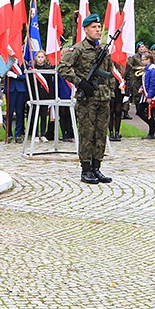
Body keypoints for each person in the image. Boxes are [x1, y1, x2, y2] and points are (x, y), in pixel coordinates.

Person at [58, 14, 114, 184]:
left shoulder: (103, 49)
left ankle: (97, 167)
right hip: (87, 99)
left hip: (103, 97)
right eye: (94, 27)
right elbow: (61, 67)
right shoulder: (78, 49)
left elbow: (110, 72)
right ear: (86, 29)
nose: (98, 30)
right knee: (87, 134)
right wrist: (80, 82)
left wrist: (111, 91)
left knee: (101, 133)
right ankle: (86, 169)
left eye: (99, 27)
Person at [31, 50, 55, 142]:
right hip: (35, 95)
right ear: (36, 58)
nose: (40, 59)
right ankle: (36, 134)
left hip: (45, 95)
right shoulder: (33, 69)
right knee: (35, 115)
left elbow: (50, 84)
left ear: (45, 58)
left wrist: (51, 97)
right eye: (38, 57)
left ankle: (43, 134)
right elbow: (30, 83)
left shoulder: (48, 68)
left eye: (42, 57)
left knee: (44, 115)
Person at [4, 57, 28, 144]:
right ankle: (9, 134)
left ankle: (18, 135)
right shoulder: (7, 62)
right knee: (9, 113)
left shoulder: (23, 63)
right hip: (10, 90)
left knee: (19, 113)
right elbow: (1, 73)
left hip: (21, 90)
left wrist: (16, 76)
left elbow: (26, 76)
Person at [136, 52, 155, 139]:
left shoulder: (152, 70)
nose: (142, 61)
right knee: (142, 112)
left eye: (143, 60)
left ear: (148, 60)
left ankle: (152, 130)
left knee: (146, 112)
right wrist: (142, 87)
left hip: (150, 94)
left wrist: (150, 96)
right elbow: (146, 81)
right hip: (145, 93)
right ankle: (152, 128)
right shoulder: (147, 69)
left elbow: (153, 83)